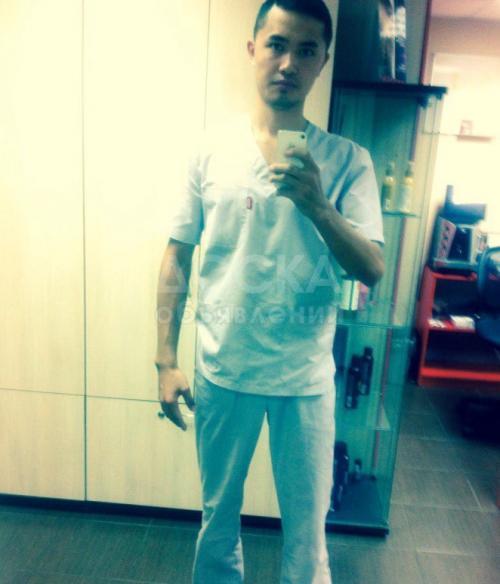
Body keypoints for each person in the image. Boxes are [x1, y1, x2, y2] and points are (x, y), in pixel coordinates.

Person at [155, 1, 385, 582]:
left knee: (307, 537)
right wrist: (165, 360)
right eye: (278, 44)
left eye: (307, 50)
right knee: (217, 521)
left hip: (304, 379)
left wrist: (318, 205)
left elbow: (372, 269)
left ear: (323, 62)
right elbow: (177, 256)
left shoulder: (347, 161)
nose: (289, 63)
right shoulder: (209, 151)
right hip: (223, 369)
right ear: (253, 47)